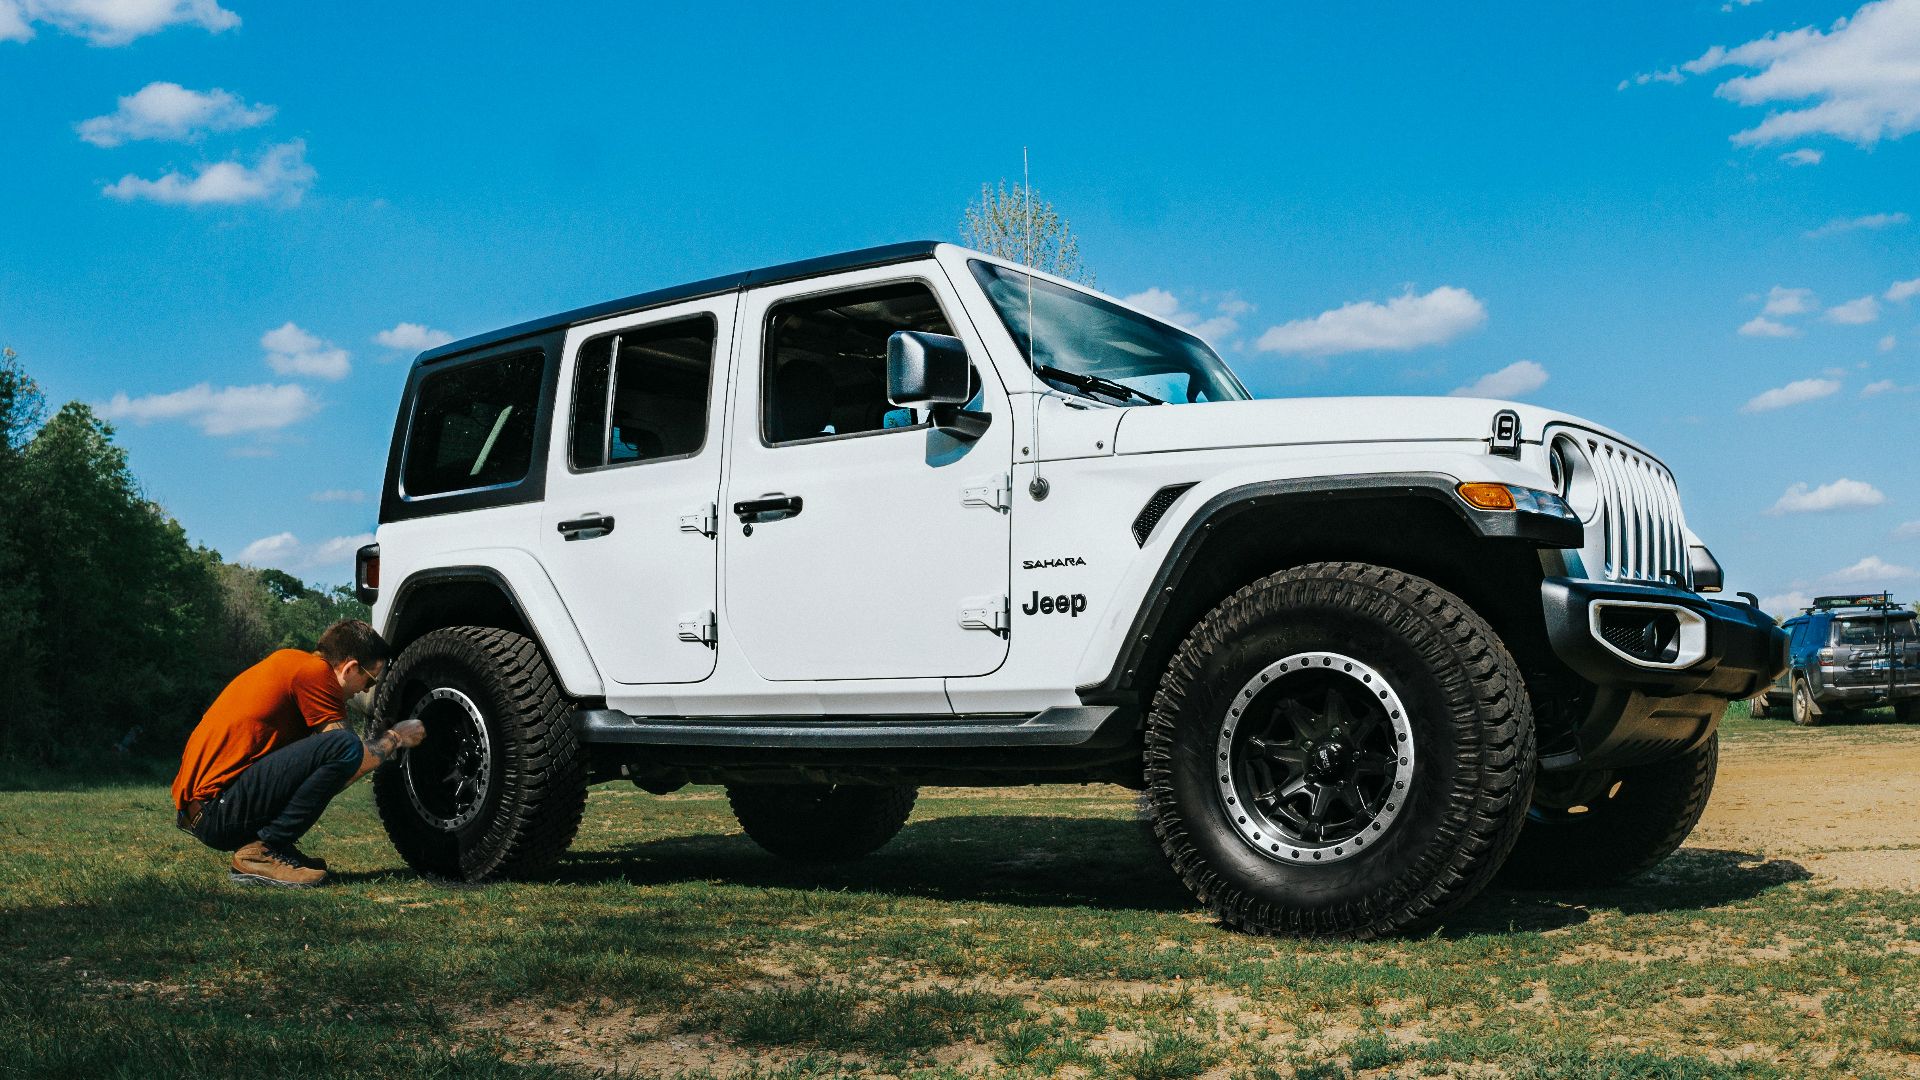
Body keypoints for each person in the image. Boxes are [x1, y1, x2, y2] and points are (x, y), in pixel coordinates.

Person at [172, 619, 425, 887]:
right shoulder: (314, 672)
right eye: (370, 679)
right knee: (344, 745)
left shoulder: (292, 664)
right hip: (216, 813)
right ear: (350, 668)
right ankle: (262, 851)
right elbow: (351, 758)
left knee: (340, 747)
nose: (365, 690)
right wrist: (395, 737)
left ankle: (275, 847)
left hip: (204, 811)